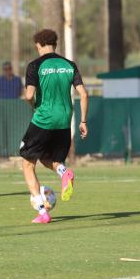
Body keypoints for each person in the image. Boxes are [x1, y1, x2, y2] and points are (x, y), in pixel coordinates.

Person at [19, 29, 89, 224]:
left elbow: (29, 95)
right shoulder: (69, 65)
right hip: (65, 120)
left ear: (38, 45)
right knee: (47, 158)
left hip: (44, 119)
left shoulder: (35, 65)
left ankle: (42, 212)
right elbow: (84, 94)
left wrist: (34, 107)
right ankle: (64, 173)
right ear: (55, 44)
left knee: (27, 164)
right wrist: (83, 121)